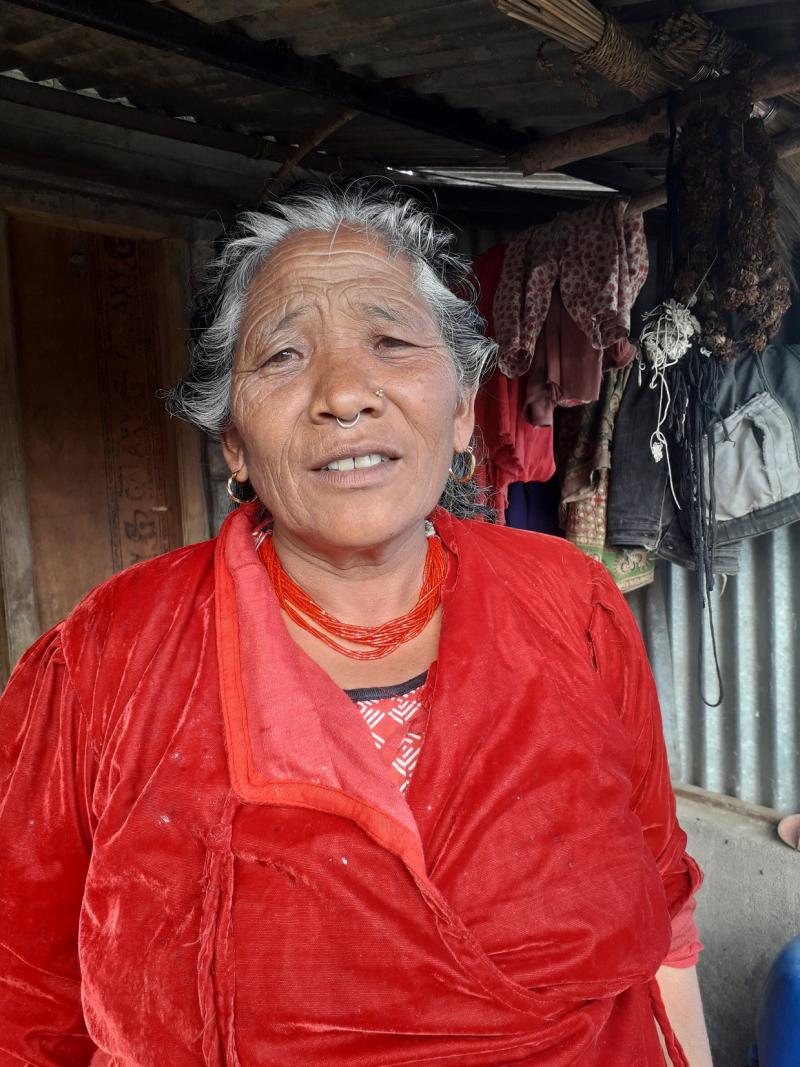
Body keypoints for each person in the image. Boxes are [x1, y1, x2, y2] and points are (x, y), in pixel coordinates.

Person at [0, 184, 712, 1066]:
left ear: (463, 409)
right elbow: (23, 994)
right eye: (283, 354)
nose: (343, 393)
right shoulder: (107, 653)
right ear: (234, 443)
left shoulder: (575, 602)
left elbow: (664, 900)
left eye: (391, 342)